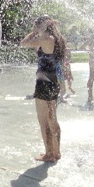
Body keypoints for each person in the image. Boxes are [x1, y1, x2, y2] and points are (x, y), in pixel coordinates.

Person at [20, 15, 65, 162]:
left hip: (43, 83)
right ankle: (56, 152)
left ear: (43, 25)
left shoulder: (45, 39)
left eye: (37, 25)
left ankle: (48, 154)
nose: (36, 28)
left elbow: (24, 43)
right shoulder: (58, 39)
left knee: (43, 120)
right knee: (53, 118)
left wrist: (33, 32)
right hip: (54, 81)